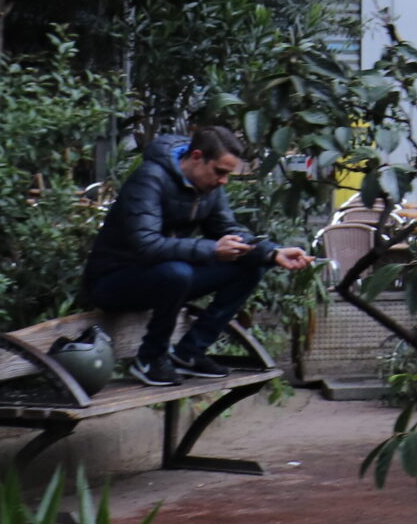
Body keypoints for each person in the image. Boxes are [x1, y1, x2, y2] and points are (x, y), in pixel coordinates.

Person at [81, 127, 312, 387]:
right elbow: (147, 245)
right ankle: (149, 359)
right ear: (196, 157)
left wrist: (272, 252)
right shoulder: (150, 179)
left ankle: (188, 353)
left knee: (250, 267)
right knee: (177, 273)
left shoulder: (209, 188)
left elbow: (229, 231)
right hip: (113, 283)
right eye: (220, 172)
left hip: (164, 280)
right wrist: (212, 250)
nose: (223, 180)